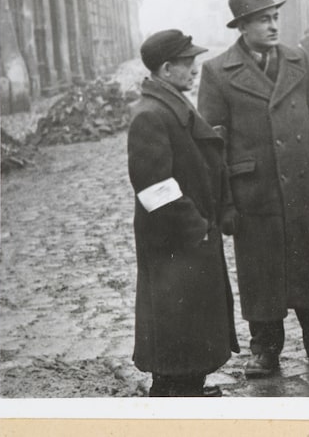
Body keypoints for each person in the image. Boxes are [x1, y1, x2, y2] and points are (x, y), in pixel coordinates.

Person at [198, 0, 309, 378]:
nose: (273, 25)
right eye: (263, 19)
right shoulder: (218, 71)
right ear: (242, 26)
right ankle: (265, 351)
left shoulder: (297, 58)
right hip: (253, 191)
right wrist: (222, 203)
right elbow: (212, 145)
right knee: (261, 273)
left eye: (275, 17)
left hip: (300, 187)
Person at [127, 29, 239, 397]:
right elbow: (154, 188)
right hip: (174, 238)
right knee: (175, 327)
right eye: (187, 63)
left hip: (190, 236)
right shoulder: (151, 114)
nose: (194, 68)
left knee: (190, 321)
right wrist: (197, 227)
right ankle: (172, 393)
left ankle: (190, 384)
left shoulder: (173, 102)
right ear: (165, 68)